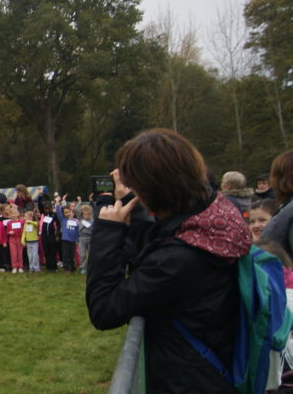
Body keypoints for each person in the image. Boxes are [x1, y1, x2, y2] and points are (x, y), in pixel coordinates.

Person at [86, 128, 249, 393]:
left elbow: (105, 308)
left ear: (153, 190)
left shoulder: (181, 259)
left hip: (188, 381)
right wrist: (130, 200)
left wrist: (108, 230)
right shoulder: (214, 218)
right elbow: (161, 235)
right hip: (210, 370)